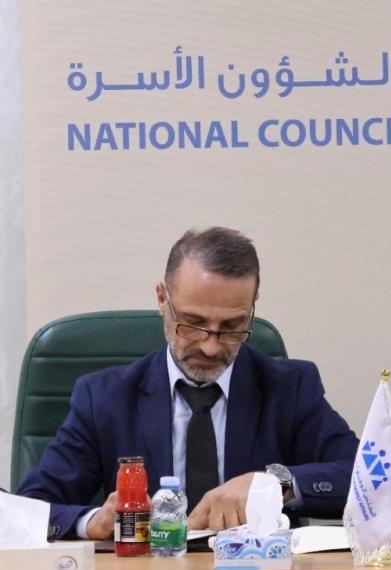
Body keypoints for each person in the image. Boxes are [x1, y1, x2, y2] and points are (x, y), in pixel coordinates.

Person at [18, 227, 360, 540]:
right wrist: (93, 521)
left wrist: (275, 483)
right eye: (193, 323)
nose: (210, 347)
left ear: (252, 308)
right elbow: (32, 507)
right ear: (162, 300)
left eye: (232, 326)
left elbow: (368, 480)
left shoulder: (290, 388)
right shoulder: (104, 398)